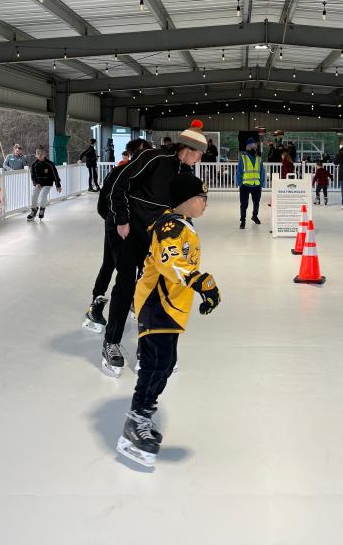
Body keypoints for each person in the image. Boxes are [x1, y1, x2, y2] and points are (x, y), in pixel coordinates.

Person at [116, 173, 219, 468]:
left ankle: (143, 414)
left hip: (171, 306)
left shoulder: (184, 225)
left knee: (166, 362)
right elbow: (170, 261)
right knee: (156, 361)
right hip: (155, 303)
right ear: (185, 201)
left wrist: (202, 289)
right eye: (202, 198)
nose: (206, 204)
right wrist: (200, 281)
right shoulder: (170, 226)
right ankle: (135, 422)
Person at [103, 120, 207, 376]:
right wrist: (122, 219)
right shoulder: (153, 158)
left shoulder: (187, 174)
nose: (200, 159)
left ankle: (147, 346)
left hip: (155, 237)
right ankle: (111, 342)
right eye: (199, 154)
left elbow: (183, 209)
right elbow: (120, 184)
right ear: (189, 149)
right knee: (126, 283)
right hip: (126, 230)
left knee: (152, 288)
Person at [84, 139, 152, 334]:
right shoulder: (118, 173)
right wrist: (116, 223)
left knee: (144, 266)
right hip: (118, 230)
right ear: (131, 155)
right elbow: (102, 206)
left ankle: (134, 300)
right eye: (141, 154)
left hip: (141, 232)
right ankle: (96, 302)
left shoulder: (149, 176)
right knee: (111, 265)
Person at [236, 137, 266, 229]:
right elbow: (239, 171)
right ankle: (243, 220)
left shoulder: (258, 158)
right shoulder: (243, 158)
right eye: (253, 145)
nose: (254, 147)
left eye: (255, 145)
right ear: (248, 146)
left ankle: (254, 216)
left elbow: (262, 171)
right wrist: (240, 183)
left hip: (256, 185)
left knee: (256, 202)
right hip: (245, 185)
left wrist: (262, 183)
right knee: (244, 204)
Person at [26, 147, 61, 221]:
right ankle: (34, 210)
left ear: (45, 154)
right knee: (34, 196)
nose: (40, 155)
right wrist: (35, 183)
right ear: (36, 155)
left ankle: (42, 209)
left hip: (47, 183)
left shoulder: (50, 164)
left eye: (41, 154)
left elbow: (55, 175)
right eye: (38, 154)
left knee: (43, 195)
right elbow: (33, 176)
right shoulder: (34, 165)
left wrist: (58, 185)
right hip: (38, 183)